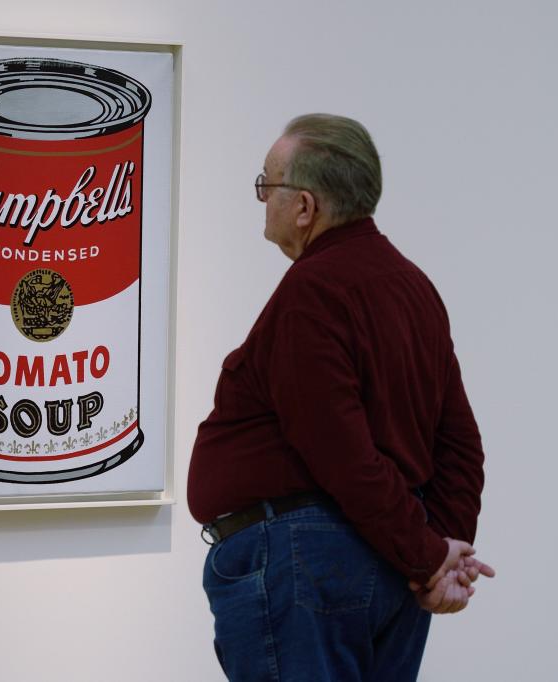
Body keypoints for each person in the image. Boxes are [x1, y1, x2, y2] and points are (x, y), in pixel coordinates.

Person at [187, 114, 494, 681]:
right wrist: (438, 549)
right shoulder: (413, 285)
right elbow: (460, 444)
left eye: (267, 185)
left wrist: (430, 556)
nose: (261, 200)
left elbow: (339, 450)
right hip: (384, 567)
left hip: (305, 564)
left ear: (304, 206)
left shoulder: (313, 289)